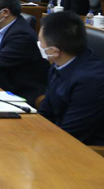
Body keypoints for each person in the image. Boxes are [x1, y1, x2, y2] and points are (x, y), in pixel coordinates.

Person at [38, 11, 104, 145]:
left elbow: (71, 134)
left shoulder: (91, 81)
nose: (39, 45)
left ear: (54, 51)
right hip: (56, 137)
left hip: (86, 149)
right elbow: (45, 113)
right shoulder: (58, 64)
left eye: (41, 43)